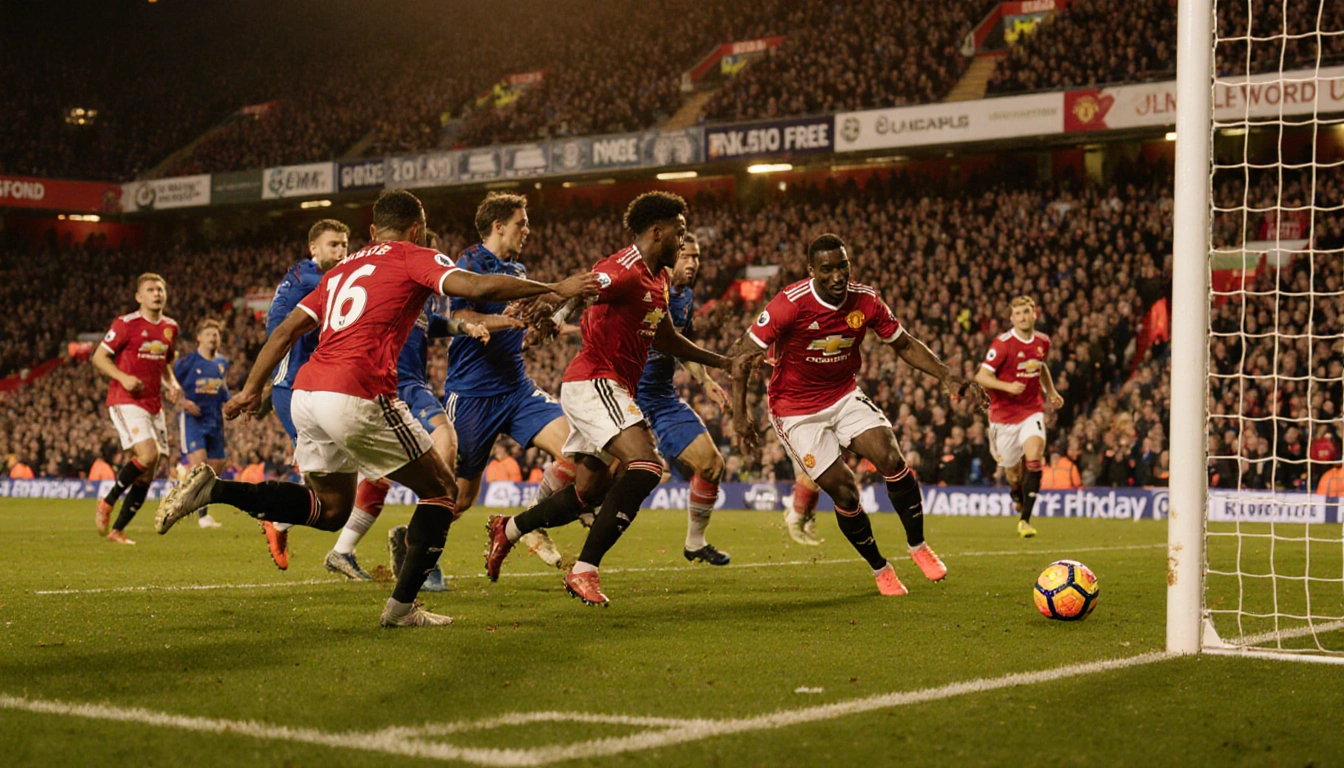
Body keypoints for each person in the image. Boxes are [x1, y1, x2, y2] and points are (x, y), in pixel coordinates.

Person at [155, 189, 598, 628]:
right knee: (443, 490)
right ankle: (401, 609)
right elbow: (476, 285)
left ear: (370, 231)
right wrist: (556, 287)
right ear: (417, 228)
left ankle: (215, 490)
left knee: (330, 510)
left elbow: (288, 327)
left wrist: (252, 388)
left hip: (309, 393)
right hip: (358, 392)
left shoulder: (339, 270)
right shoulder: (414, 254)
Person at [483, 191, 735, 606]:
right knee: (646, 466)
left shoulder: (660, 277)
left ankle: (507, 529)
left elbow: (668, 337)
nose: (684, 241)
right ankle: (584, 572)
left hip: (609, 388)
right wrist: (553, 307)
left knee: (586, 493)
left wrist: (723, 361)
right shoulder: (625, 269)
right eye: (680, 232)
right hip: (596, 381)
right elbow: (585, 285)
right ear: (658, 232)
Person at [730, 234, 981, 596]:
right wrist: (740, 415)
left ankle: (918, 546)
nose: (837, 276)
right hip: (796, 409)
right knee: (845, 492)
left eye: (842, 266)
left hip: (843, 393)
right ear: (812, 271)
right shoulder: (790, 303)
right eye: (827, 269)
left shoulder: (866, 300)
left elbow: (904, 343)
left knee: (892, 458)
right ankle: (881, 569)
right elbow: (741, 356)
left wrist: (946, 376)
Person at [440, 193, 582, 569]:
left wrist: (542, 325)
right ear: (498, 226)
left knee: (576, 450)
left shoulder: (518, 272)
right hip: (472, 394)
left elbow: (522, 325)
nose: (528, 230)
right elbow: (465, 313)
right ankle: (410, 542)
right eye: (521, 223)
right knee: (459, 499)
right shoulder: (470, 262)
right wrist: (507, 319)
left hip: (516, 389)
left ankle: (533, 522)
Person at [632, 233, 734, 564]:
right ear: (670, 255)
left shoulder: (685, 297)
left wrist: (705, 381)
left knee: (712, 465)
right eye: (686, 256)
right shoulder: (643, 287)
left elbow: (681, 343)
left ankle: (695, 542)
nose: (693, 263)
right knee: (591, 476)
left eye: (697, 257)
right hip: (624, 393)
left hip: (661, 397)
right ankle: (529, 523)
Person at [259, 219, 350, 569]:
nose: (341, 252)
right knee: (324, 483)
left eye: (345, 245)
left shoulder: (304, 275)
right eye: (333, 245)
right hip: (295, 387)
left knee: (324, 477)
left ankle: (278, 520)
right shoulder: (314, 280)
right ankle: (273, 517)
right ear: (313, 248)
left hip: (313, 386)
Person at [91, 273, 184, 545]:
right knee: (148, 453)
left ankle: (117, 530)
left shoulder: (171, 327)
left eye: (160, 289)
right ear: (139, 297)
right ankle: (107, 502)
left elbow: (165, 364)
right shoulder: (125, 324)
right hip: (125, 399)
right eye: (150, 290)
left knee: (149, 469)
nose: (157, 294)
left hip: (154, 404)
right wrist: (122, 377)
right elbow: (99, 356)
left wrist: (173, 384)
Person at [973, 296, 1063, 538]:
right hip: (1003, 418)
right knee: (1013, 471)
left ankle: (1025, 520)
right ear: (1012, 318)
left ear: (1035, 314)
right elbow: (981, 376)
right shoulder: (1002, 344)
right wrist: (1007, 386)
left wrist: (1051, 391)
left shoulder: (1043, 341)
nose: (1024, 317)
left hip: (1031, 410)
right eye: (1019, 313)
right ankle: (1016, 492)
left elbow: (1041, 367)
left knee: (1035, 457)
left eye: (1027, 312)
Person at [174, 318, 230, 528]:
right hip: (193, 421)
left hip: (214, 420)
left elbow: (222, 389)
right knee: (200, 465)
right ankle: (196, 513)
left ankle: (187, 488)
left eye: (216, 334)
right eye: (208, 334)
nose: (213, 337)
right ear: (199, 338)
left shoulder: (222, 362)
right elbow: (171, 385)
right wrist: (183, 402)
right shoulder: (187, 362)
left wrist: (233, 404)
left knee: (216, 466)